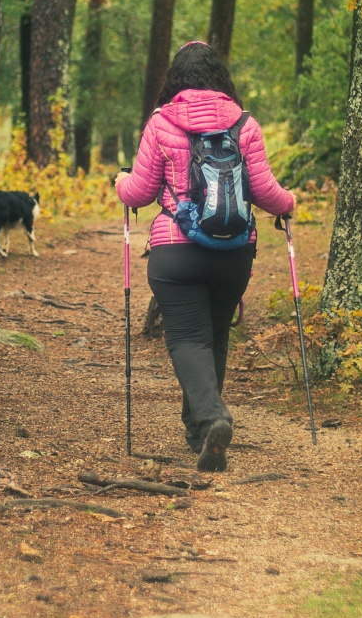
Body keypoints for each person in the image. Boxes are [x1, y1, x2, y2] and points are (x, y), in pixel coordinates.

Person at [116, 41, 296, 471]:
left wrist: (120, 181)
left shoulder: (161, 123)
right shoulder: (245, 124)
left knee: (186, 338)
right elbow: (268, 194)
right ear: (220, 77)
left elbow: (139, 192)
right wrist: (290, 202)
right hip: (234, 252)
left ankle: (213, 417)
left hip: (176, 251)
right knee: (213, 335)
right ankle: (199, 429)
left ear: (175, 78)